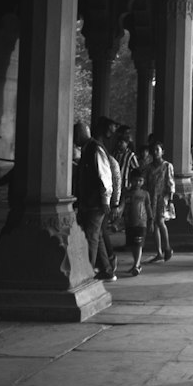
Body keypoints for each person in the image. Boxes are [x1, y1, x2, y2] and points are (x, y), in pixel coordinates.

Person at [76, 117, 118, 281]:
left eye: (75, 135)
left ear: (81, 134)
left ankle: (87, 272)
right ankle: (107, 270)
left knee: (91, 236)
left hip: (96, 203)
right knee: (97, 235)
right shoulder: (88, 149)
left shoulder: (95, 149)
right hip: (90, 201)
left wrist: (106, 201)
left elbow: (105, 176)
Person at [143, 139, 175, 263]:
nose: (155, 152)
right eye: (153, 150)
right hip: (151, 197)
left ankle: (167, 247)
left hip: (163, 197)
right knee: (155, 224)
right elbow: (145, 183)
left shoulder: (167, 166)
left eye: (158, 150)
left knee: (160, 222)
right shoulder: (148, 167)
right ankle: (159, 252)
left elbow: (170, 183)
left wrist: (170, 199)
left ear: (163, 152)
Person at [123, 169, 152, 275]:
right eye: (135, 180)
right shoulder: (127, 193)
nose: (138, 183)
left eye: (140, 180)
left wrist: (151, 219)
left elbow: (148, 207)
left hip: (141, 223)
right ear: (131, 180)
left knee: (138, 244)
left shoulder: (145, 194)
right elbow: (123, 207)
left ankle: (136, 265)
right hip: (130, 223)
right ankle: (136, 264)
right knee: (132, 245)